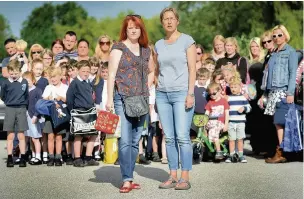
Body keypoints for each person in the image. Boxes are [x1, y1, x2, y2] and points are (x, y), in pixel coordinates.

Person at [106, 14, 154, 193]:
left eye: (136, 27)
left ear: (141, 29)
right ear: (125, 30)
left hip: (141, 99)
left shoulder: (146, 49)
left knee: (135, 141)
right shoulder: (118, 48)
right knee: (125, 140)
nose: (133, 30)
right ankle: (126, 179)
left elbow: (151, 72)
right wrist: (110, 99)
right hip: (122, 98)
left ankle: (130, 175)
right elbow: (111, 75)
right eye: (130, 27)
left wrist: (144, 87)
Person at [155, 7, 196, 190]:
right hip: (162, 94)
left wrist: (190, 93)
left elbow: (193, 69)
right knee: (169, 137)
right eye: (165, 19)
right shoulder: (158, 44)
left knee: (182, 136)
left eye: (172, 18)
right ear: (162, 23)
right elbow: (156, 70)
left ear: (177, 21)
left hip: (181, 93)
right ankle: (172, 175)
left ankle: (184, 177)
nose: (169, 22)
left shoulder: (187, 41)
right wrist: (156, 87)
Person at [258, 25, 298, 163]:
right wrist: (265, 93)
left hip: (283, 90)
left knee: (280, 122)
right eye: (274, 36)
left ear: (285, 35)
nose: (276, 38)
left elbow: (293, 73)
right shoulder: (274, 53)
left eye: (279, 35)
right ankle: (281, 150)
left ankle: (282, 151)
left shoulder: (290, 52)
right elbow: (268, 75)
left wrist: (290, 93)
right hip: (272, 90)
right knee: (277, 123)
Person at [67, 60, 100, 167]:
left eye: (87, 71)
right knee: (78, 136)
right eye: (83, 71)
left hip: (90, 111)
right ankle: (77, 158)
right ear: (78, 71)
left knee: (94, 134)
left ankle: (88, 157)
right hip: (78, 112)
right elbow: (69, 99)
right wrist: (73, 112)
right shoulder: (74, 83)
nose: (85, 73)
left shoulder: (88, 83)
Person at [0, 59, 29, 167]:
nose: (13, 75)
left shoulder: (24, 82)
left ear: (20, 71)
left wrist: (23, 106)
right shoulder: (6, 83)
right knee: (10, 135)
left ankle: (22, 157)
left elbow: (26, 96)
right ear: (8, 71)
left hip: (21, 109)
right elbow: (2, 96)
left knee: (21, 135)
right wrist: (9, 102)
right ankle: (9, 157)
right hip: (10, 109)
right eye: (11, 73)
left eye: (16, 73)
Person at [42, 67, 68, 166]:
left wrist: (61, 98)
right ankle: (51, 156)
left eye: (55, 77)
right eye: (51, 77)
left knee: (59, 137)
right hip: (50, 115)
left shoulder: (65, 87)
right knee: (50, 136)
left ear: (60, 76)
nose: (53, 79)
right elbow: (44, 99)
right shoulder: (48, 87)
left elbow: (68, 99)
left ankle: (58, 156)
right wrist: (49, 99)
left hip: (61, 115)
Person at [226, 77, 251, 163]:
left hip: (240, 122)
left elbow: (249, 108)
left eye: (235, 87)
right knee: (231, 139)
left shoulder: (243, 98)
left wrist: (244, 108)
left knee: (240, 139)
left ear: (240, 87)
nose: (233, 89)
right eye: (231, 87)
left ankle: (241, 155)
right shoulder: (228, 98)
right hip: (231, 121)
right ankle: (231, 155)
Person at [22, 71, 43, 165]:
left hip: (34, 116)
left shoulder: (37, 90)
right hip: (25, 116)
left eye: (29, 80)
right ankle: (33, 155)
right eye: (25, 81)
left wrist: (36, 115)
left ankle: (38, 156)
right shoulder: (24, 91)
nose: (27, 82)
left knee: (35, 137)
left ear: (33, 81)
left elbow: (40, 105)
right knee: (29, 137)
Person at [205, 82, 229, 160]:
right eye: (210, 94)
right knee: (204, 128)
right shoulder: (210, 102)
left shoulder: (223, 101)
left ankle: (219, 151)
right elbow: (206, 114)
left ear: (219, 91)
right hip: (211, 122)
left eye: (214, 93)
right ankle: (208, 150)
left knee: (214, 132)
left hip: (220, 123)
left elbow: (227, 113)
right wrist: (204, 124)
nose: (212, 96)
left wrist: (226, 124)